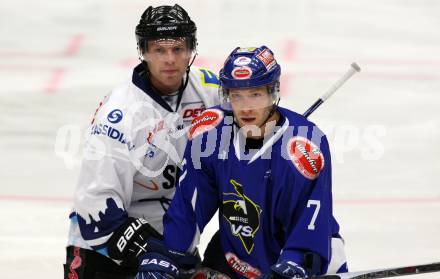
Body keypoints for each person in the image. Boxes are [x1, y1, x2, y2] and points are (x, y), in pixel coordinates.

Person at [149, 45, 348, 279]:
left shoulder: (305, 146)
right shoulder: (210, 133)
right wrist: (169, 255)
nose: (246, 107)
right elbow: (190, 207)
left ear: (273, 92)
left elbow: (311, 218)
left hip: (308, 260)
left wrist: (295, 263)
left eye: (255, 94)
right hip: (234, 259)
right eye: (236, 95)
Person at [63, 4, 221, 279]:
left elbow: (253, 122)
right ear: (143, 52)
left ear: (191, 50)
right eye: (159, 50)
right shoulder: (120, 114)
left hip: (175, 244)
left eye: (178, 48)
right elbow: (96, 206)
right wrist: (153, 249)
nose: (170, 59)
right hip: (104, 253)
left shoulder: (210, 90)